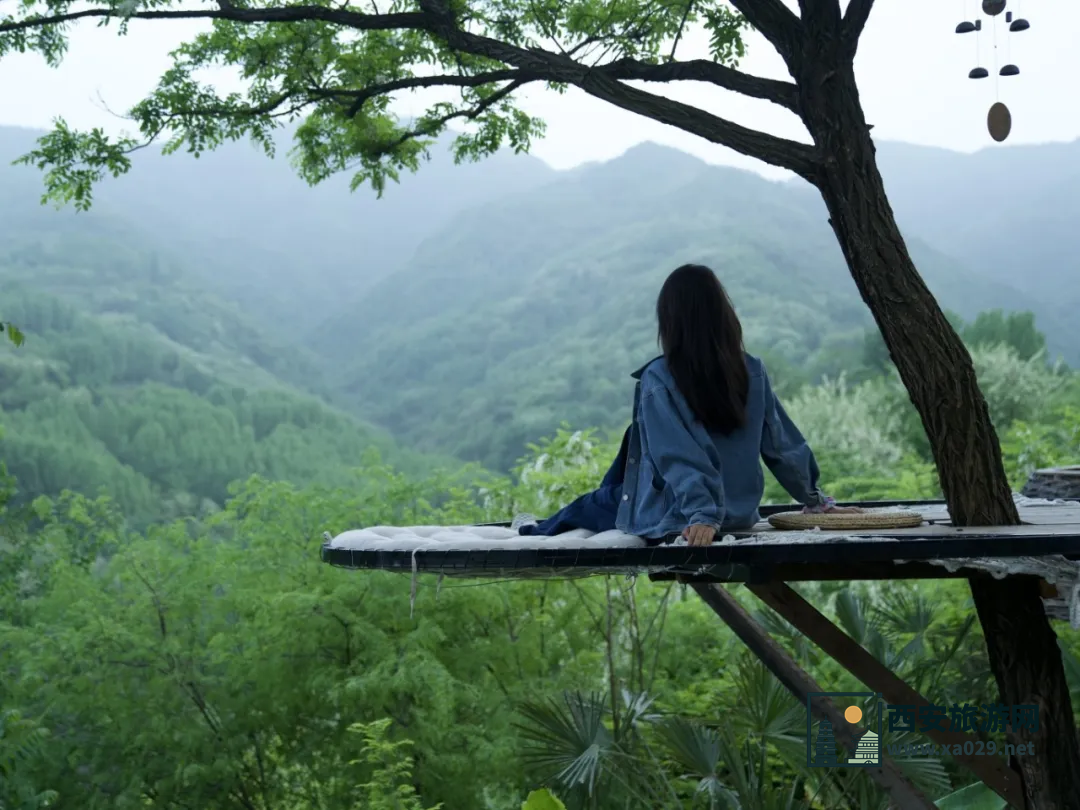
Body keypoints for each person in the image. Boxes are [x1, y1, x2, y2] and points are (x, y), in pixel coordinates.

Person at [513, 263, 859, 547]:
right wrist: (815, 501)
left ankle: (530, 532)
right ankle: (554, 518)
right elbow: (783, 446)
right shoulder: (751, 370)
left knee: (591, 505)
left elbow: (678, 456)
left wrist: (703, 516)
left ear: (670, 320)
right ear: (723, 315)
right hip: (738, 511)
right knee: (618, 473)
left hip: (679, 516)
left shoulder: (659, 378)